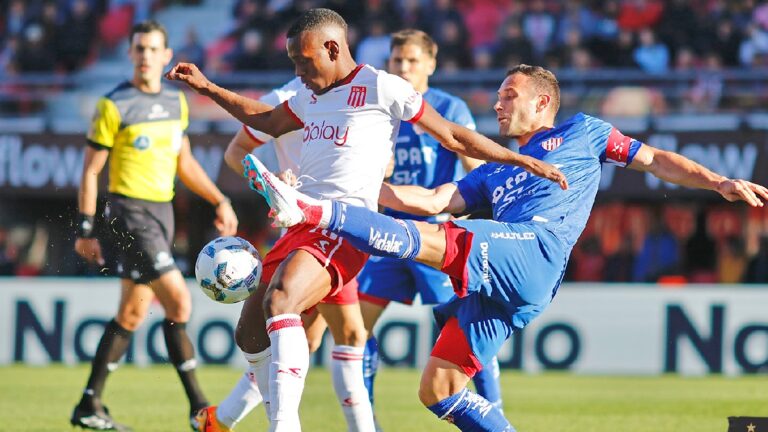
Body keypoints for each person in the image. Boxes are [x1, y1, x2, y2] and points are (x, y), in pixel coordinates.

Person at [244, 64, 768, 431]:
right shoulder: (496, 168)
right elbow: (431, 200)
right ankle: (317, 205)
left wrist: (718, 181)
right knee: (439, 390)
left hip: (535, 249)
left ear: (542, 101)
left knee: (436, 244)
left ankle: (309, 213)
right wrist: (351, 188)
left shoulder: (584, 132)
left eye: (507, 96)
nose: (496, 104)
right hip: (511, 281)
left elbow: (654, 161)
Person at [166, 9, 565, 431]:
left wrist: (519, 157)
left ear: (332, 48)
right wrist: (207, 87)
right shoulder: (309, 97)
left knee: (283, 301)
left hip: (345, 226)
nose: (298, 71)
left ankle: (283, 425)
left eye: (303, 61)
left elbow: (451, 135)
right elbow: (265, 120)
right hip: (300, 221)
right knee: (250, 334)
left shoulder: (381, 86)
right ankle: (238, 418)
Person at [71, 20, 238, 431]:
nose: (145, 56)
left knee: (130, 313)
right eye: (139, 48)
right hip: (129, 213)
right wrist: (86, 228)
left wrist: (219, 198)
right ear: (130, 54)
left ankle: (88, 405)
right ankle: (200, 409)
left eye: (153, 49)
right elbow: (91, 172)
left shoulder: (175, 103)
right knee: (179, 302)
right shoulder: (113, 105)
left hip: (162, 213)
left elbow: (185, 164)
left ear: (166, 56)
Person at [195, 77, 375, 432]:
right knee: (302, 331)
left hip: (343, 225)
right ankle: (237, 419)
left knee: (329, 335)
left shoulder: (358, 95)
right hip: (304, 230)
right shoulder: (283, 100)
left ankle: (223, 418)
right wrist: (271, 182)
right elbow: (236, 153)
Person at [353, 29, 503, 412]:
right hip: (386, 233)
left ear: (431, 65)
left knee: (463, 333)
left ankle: (494, 411)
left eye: (412, 60)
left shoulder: (447, 109)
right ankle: (365, 419)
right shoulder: (377, 111)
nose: (403, 67)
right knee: (355, 330)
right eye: (397, 60)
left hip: (436, 237)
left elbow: (476, 169)